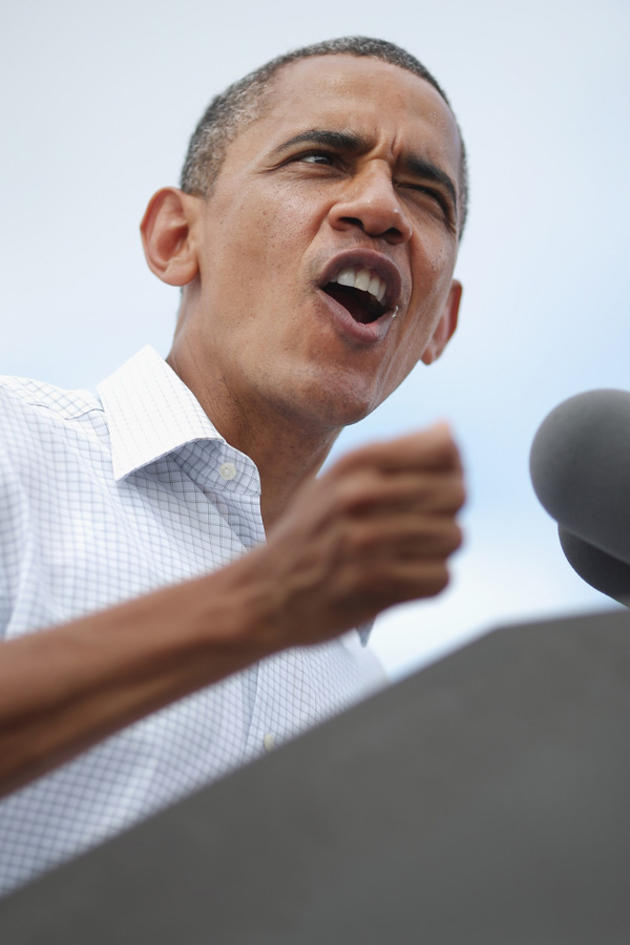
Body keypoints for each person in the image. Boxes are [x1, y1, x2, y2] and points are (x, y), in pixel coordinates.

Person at [0, 36, 466, 895]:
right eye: (321, 158)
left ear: (440, 324)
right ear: (178, 238)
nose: (380, 207)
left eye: (425, 193)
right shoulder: (12, 450)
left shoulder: (370, 698)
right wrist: (258, 603)